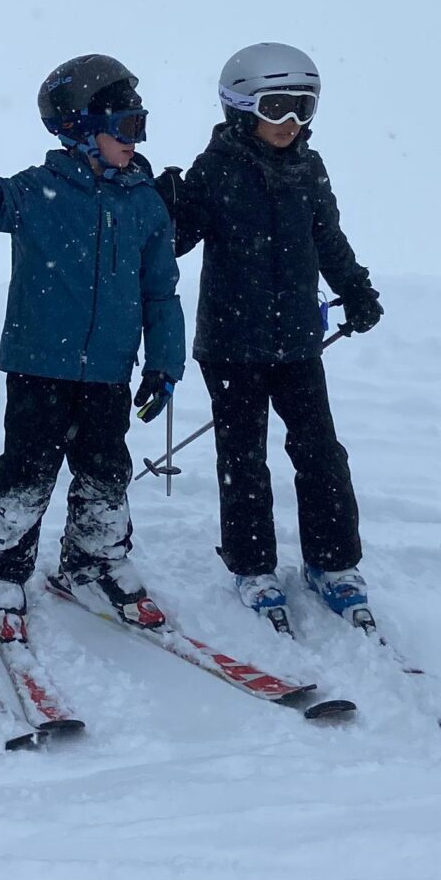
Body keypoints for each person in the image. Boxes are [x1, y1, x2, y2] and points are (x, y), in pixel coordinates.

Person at [0, 52, 185, 636]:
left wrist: (165, 362)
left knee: (105, 470)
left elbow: (161, 293)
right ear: (79, 130)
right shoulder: (36, 191)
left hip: (109, 371)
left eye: (139, 125)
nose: (134, 140)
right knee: (28, 469)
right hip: (38, 364)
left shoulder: (145, 203)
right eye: (124, 127)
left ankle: (92, 560)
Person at [156, 43, 384, 633]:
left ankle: (332, 564)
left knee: (320, 452)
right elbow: (176, 243)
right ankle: (253, 565)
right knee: (243, 458)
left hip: (298, 342)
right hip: (231, 343)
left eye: (303, 108)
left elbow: (328, 238)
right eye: (277, 107)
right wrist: (167, 208)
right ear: (240, 108)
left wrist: (355, 288)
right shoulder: (216, 169)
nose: (291, 123)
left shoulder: (310, 168)